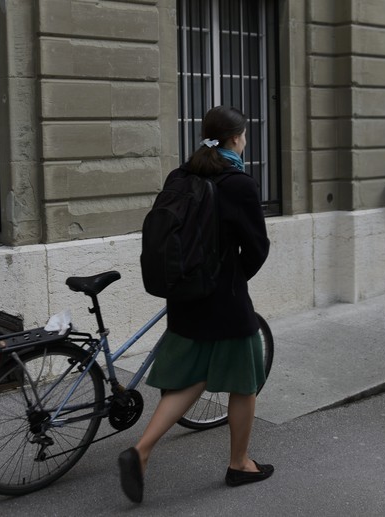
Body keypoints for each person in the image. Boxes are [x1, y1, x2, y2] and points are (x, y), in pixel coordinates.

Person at [118, 106, 272, 503]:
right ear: (237, 138)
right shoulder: (239, 183)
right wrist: (235, 278)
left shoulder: (181, 175)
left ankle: (141, 450)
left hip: (184, 295)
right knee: (245, 380)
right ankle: (239, 464)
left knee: (192, 377)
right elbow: (257, 247)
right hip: (225, 298)